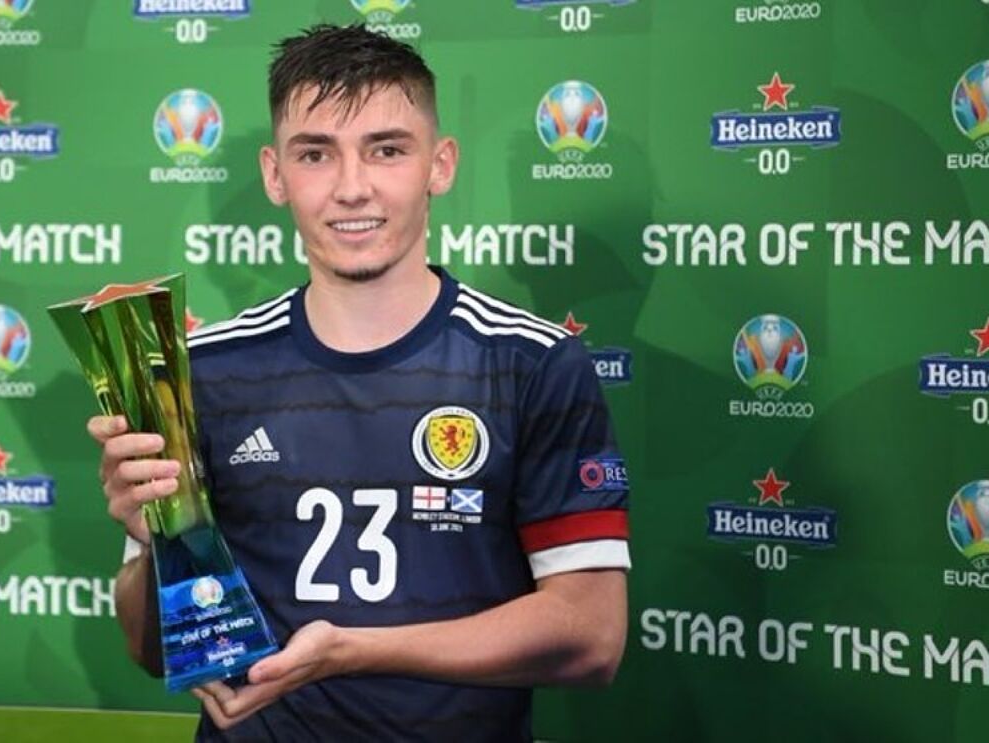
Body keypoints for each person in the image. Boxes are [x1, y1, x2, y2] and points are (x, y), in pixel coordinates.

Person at [88, 24, 630, 742]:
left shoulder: (531, 362)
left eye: (387, 149)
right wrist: (154, 537)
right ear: (275, 174)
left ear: (439, 165)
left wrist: (352, 650)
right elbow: (150, 647)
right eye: (316, 153)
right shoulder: (204, 370)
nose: (352, 188)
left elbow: (592, 635)